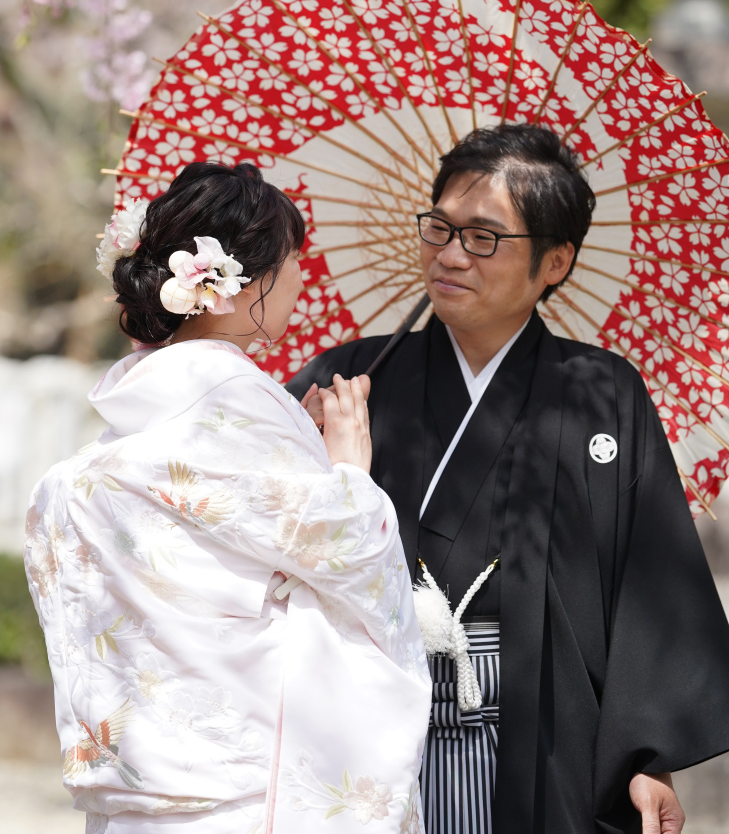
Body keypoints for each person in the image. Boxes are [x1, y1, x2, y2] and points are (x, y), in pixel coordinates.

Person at [288, 123, 729, 834]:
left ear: (555, 262)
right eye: (440, 227)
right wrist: (322, 462)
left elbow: (647, 580)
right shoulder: (350, 382)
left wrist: (650, 757)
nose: (450, 255)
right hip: (372, 725)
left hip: (548, 725)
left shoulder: (602, 392)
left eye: (484, 237)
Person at [24, 161, 431, 834]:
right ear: (248, 283)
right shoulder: (238, 401)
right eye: (295, 259)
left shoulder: (132, 407)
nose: (303, 276)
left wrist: (297, 434)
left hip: (139, 782)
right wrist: (349, 467)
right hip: (242, 787)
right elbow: (351, 550)